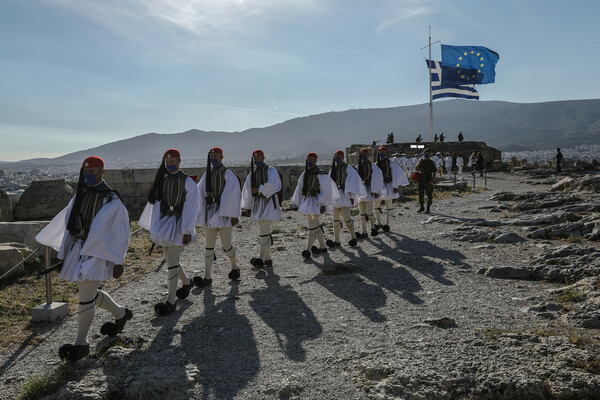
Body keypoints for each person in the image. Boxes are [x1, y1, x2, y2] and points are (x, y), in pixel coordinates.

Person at [35, 156, 132, 362]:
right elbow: (69, 221)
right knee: (89, 292)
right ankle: (121, 314)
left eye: (92, 172)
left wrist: (118, 260)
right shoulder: (80, 195)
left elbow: (120, 232)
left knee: (85, 295)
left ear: (102, 172)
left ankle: (81, 344)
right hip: (79, 249)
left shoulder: (111, 200)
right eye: (85, 172)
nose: (88, 175)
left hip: (98, 253)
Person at [139, 148, 200, 316]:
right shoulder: (163, 181)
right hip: (166, 224)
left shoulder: (188, 183)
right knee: (169, 258)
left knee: (172, 260)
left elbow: (191, 208)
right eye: (168, 163)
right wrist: (156, 227)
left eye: (172, 162)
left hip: (180, 225)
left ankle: (171, 301)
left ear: (179, 161)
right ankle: (187, 282)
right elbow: (158, 205)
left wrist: (187, 230)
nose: (170, 165)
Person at [193, 147, 242, 287]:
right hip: (210, 212)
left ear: (222, 157)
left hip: (224, 213)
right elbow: (199, 192)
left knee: (226, 245)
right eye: (212, 155)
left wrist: (231, 214)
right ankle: (207, 277)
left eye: (216, 155)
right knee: (209, 246)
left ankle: (234, 267)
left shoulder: (228, 174)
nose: (214, 158)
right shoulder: (206, 174)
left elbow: (232, 194)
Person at [292, 152, 339, 259]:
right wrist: (299, 202)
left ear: (316, 160)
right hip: (308, 202)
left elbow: (326, 190)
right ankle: (323, 246)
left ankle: (307, 249)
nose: (309, 162)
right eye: (308, 160)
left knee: (311, 225)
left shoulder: (320, 174)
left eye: (312, 160)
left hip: (316, 203)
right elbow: (300, 187)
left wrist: (323, 204)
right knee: (315, 225)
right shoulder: (305, 173)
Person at [241, 149, 282, 268]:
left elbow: (274, 185)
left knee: (264, 230)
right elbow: (248, 191)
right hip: (258, 204)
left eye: (258, 158)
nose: (256, 160)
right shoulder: (252, 173)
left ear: (263, 158)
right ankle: (268, 259)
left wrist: (260, 189)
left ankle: (261, 258)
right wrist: (248, 207)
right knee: (264, 231)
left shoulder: (271, 170)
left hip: (268, 203)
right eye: (255, 159)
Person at [327, 150, 365, 248]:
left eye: (339, 157)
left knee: (347, 219)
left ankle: (353, 237)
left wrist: (352, 196)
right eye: (336, 157)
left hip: (345, 196)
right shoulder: (333, 169)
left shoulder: (349, 169)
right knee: (335, 220)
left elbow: (351, 183)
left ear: (343, 158)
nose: (337, 159)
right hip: (335, 197)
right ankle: (337, 240)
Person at [374, 146, 409, 231]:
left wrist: (395, 186)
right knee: (376, 206)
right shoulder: (376, 164)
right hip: (379, 186)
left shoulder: (391, 163)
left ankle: (387, 224)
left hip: (388, 185)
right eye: (380, 152)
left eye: (383, 151)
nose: (381, 153)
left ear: (386, 152)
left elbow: (395, 175)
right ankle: (379, 223)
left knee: (388, 207)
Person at [355, 147, 384, 238]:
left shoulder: (373, 167)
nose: (364, 156)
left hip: (369, 191)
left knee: (369, 211)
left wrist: (376, 191)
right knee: (362, 212)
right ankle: (364, 231)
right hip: (360, 192)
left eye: (365, 154)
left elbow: (377, 179)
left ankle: (372, 227)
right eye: (362, 154)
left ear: (368, 155)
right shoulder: (357, 167)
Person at [415, 149, 437, 213]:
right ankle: (422, 207)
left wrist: (432, 179)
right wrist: (419, 162)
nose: (426, 155)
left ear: (430, 155)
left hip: (428, 179)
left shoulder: (431, 162)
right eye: (425, 154)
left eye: (428, 154)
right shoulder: (422, 161)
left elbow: (434, 172)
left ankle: (428, 207)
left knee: (429, 194)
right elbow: (417, 168)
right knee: (421, 194)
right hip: (421, 180)